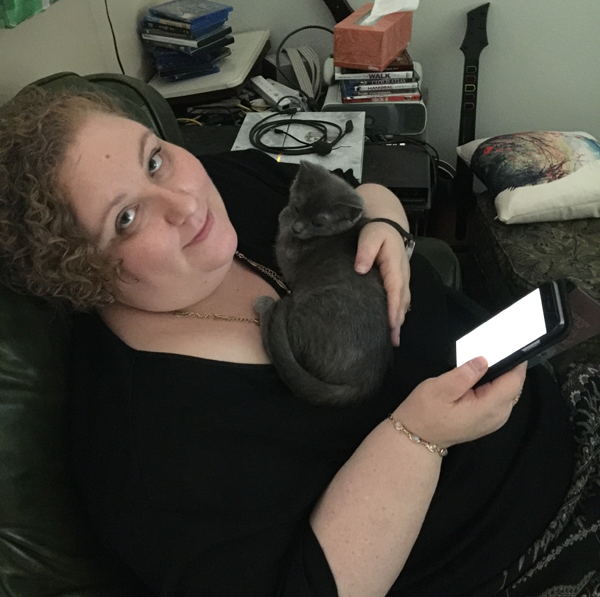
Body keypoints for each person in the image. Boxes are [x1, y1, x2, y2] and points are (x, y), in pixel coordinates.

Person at [0, 86, 598, 597]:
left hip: (563, 413)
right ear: (80, 272)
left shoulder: (233, 184)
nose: (184, 203)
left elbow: (364, 195)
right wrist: (418, 438)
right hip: (518, 556)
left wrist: (387, 227)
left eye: (154, 160)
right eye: (126, 218)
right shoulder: (140, 451)